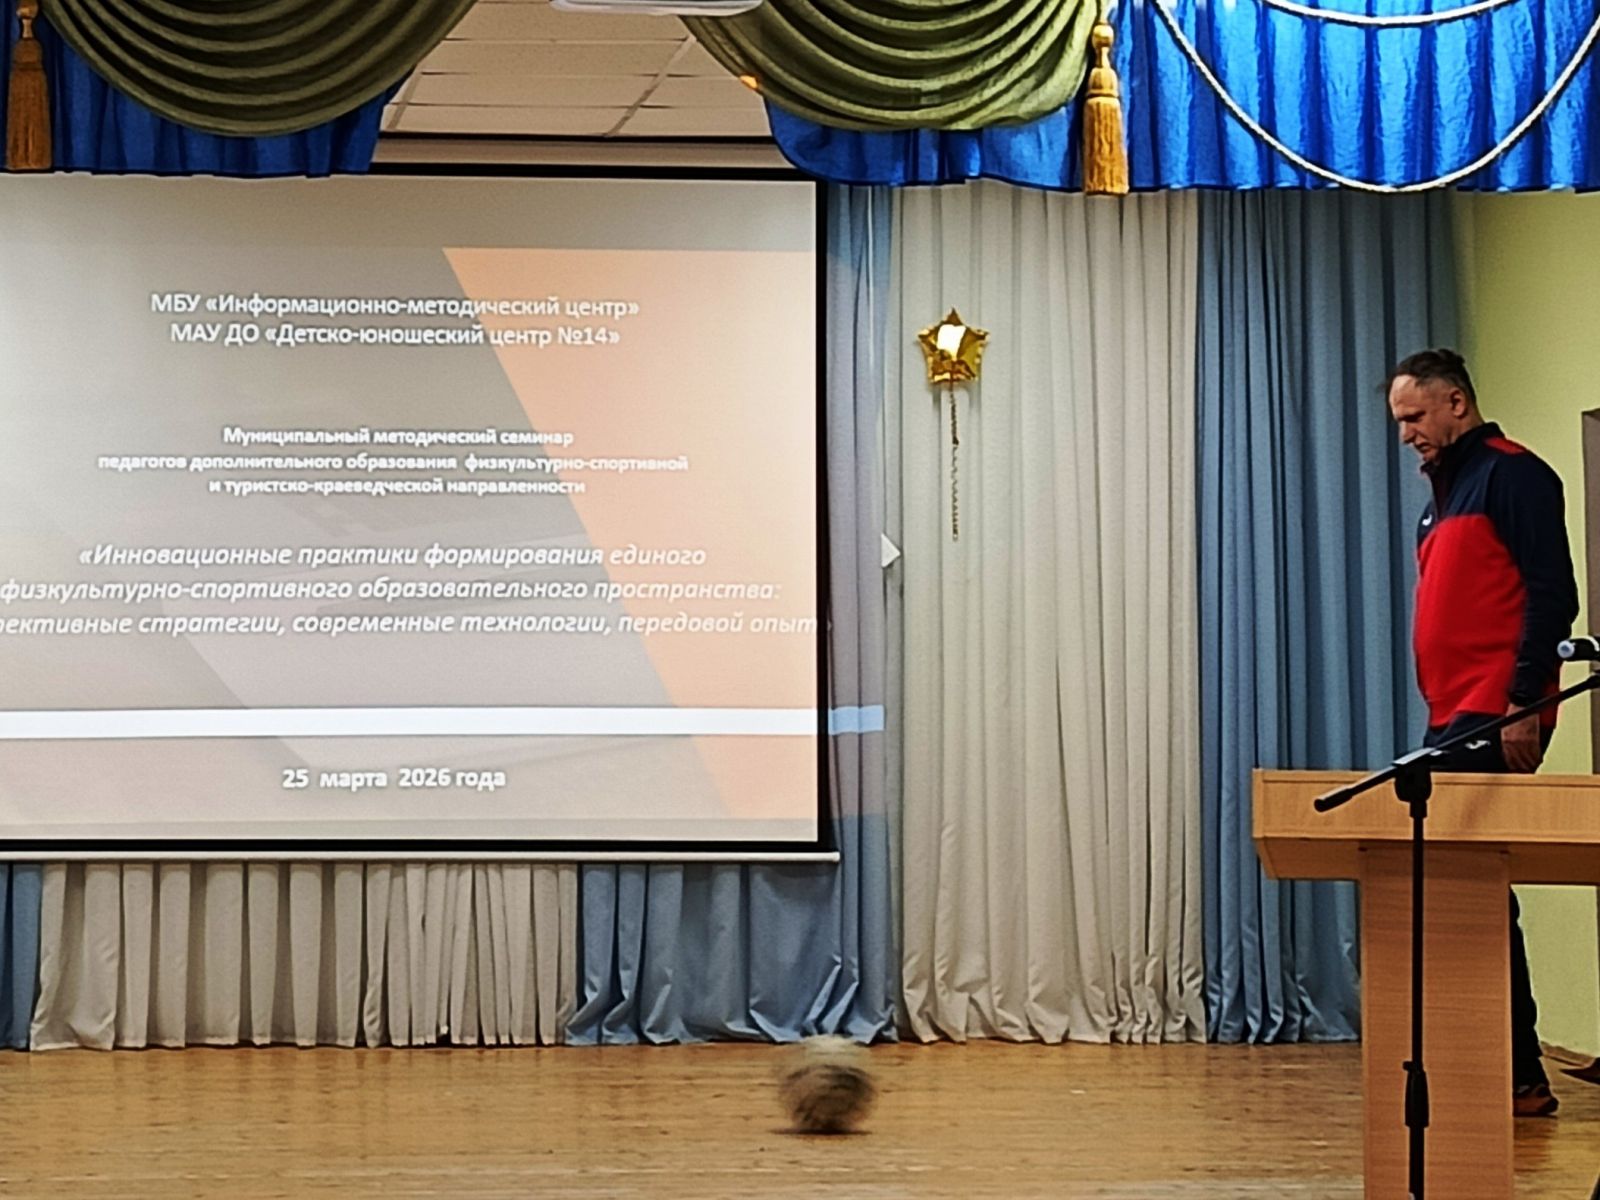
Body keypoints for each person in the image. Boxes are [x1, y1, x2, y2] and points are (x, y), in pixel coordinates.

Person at [1387, 347, 1580, 1119]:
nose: (1406, 433)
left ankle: (1520, 1074)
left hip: (1498, 712)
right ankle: (1500, 1066)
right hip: (1450, 715)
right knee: (1461, 892)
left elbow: (1552, 592)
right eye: (1400, 420)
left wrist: (1527, 701)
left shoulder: (1515, 475)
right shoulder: (1440, 500)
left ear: (1456, 403)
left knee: (1472, 889)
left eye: (1414, 416)